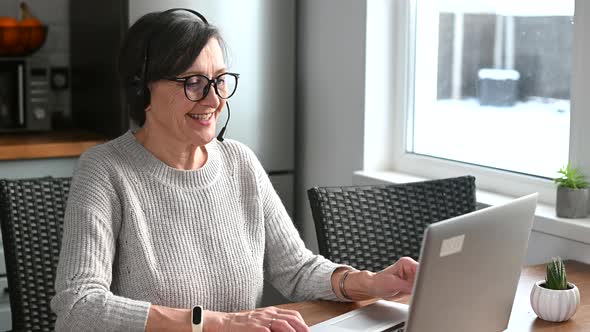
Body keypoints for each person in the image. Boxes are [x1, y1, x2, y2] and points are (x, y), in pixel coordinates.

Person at [50, 8, 419, 332]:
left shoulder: (240, 162)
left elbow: (297, 268)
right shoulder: (104, 171)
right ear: (141, 90)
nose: (214, 99)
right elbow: (79, 307)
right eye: (193, 83)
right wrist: (217, 324)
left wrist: (370, 283)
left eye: (220, 80)